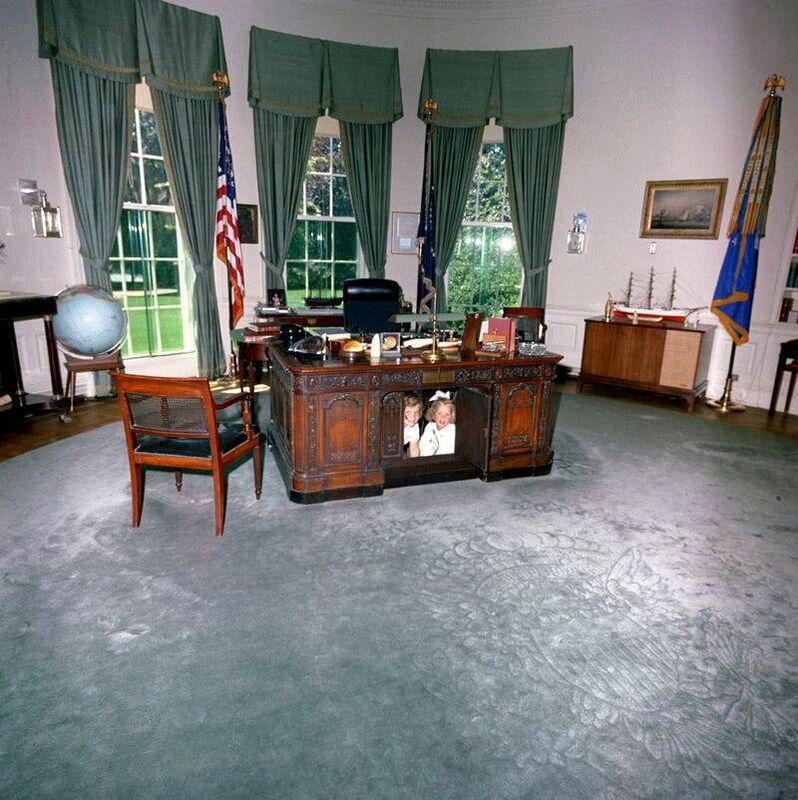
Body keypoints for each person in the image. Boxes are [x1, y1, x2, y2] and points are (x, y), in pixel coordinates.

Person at [419, 391, 456, 457]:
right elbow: (422, 445)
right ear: (433, 414)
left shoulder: (452, 430)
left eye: (447, 414)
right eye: (439, 413)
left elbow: (448, 452)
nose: (443, 417)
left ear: (451, 417)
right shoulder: (430, 426)